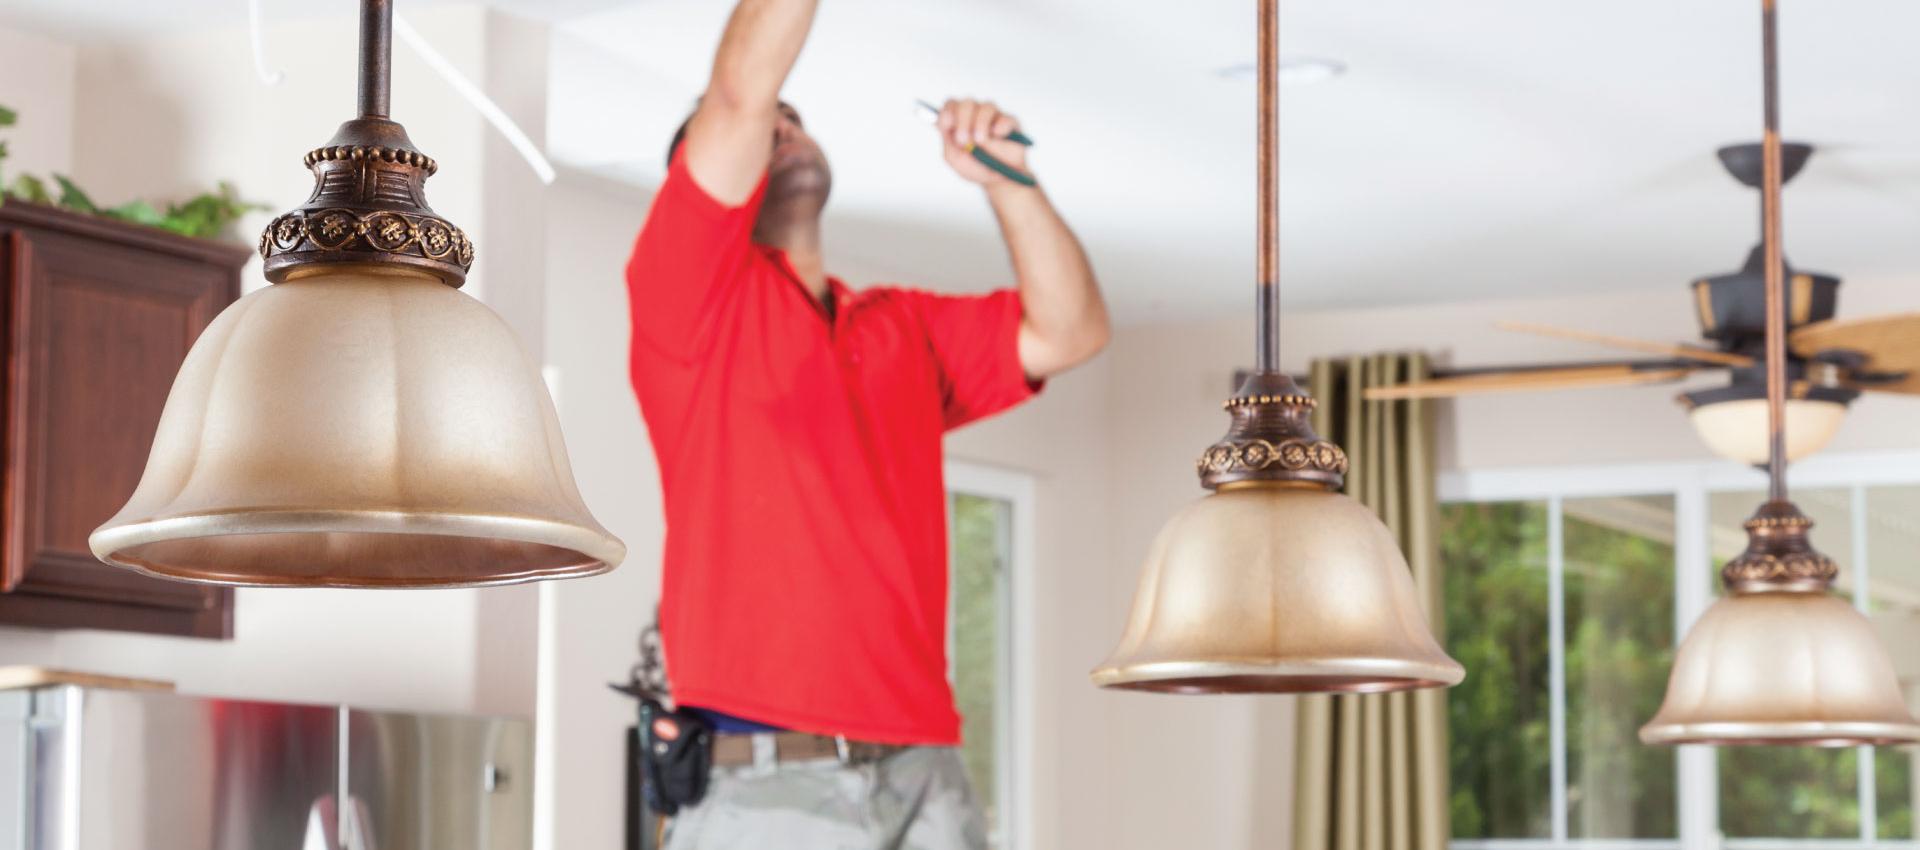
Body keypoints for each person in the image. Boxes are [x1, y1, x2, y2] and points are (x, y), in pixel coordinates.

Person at [624, 0, 1109, 846]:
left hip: (926, 765)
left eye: (797, 120)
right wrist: (748, 104)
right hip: (770, 779)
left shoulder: (901, 326)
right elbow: (740, 92)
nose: (784, 127)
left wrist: (1009, 181)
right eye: (767, 124)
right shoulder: (688, 306)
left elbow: (1071, 331)